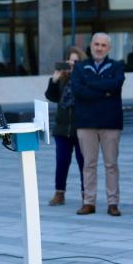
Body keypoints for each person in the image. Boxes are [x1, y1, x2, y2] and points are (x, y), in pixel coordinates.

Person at [71, 33, 126, 217]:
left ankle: (113, 203)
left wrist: (91, 85)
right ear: (91, 45)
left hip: (111, 123)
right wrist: (104, 90)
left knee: (111, 164)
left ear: (108, 48)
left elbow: (116, 85)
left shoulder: (117, 66)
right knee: (88, 164)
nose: (99, 48)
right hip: (86, 123)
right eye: (96, 44)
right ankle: (89, 202)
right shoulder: (79, 67)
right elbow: (78, 91)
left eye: (103, 45)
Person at [45, 46, 87, 206]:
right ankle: (59, 193)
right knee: (62, 161)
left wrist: (76, 76)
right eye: (70, 60)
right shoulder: (63, 78)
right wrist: (55, 79)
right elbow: (51, 96)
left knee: (83, 162)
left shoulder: (84, 78)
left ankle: (86, 194)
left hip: (81, 128)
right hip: (62, 128)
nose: (72, 64)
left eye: (75, 61)